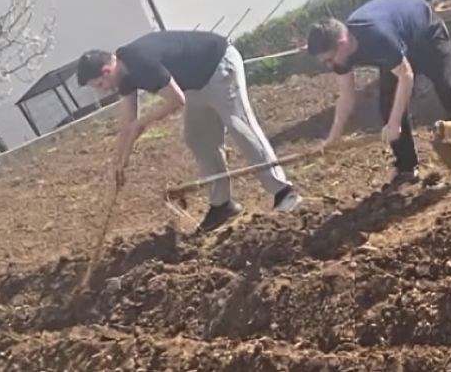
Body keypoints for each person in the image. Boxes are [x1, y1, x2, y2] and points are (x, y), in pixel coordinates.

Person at [76, 30, 301, 232]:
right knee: (198, 138)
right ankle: (222, 205)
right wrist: (119, 165)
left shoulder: (141, 61)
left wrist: (142, 122)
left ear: (106, 71)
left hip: (218, 66)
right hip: (195, 84)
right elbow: (126, 128)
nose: (102, 91)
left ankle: (284, 192)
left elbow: (176, 100)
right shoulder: (124, 77)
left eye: (99, 85)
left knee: (240, 126)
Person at [306, 0, 451, 187]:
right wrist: (334, 136)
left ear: (342, 44)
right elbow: (346, 95)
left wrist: (394, 124)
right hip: (399, 44)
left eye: (329, 60)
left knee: (449, 92)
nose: (329, 65)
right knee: (388, 104)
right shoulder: (340, 56)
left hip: (427, 34)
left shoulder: (376, 36)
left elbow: (406, 76)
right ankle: (407, 167)